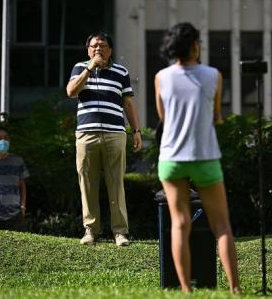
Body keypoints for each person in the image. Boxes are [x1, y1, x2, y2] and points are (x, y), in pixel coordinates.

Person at [155, 22, 241, 294]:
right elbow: (216, 115)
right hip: (204, 156)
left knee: (180, 225)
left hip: (171, 157)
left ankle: (185, 289)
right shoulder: (213, 75)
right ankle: (235, 288)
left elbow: (163, 118)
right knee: (222, 225)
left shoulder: (161, 77)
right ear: (195, 45)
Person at [66, 32, 142, 246]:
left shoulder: (121, 71)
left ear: (110, 50)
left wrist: (136, 131)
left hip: (115, 133)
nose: (98, 49)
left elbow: (128, 103)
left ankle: (120, 232)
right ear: (88, 49)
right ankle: (90, 231)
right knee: (87, 183)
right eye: (94, 46)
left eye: (102, 45)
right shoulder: (80, 67)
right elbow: (71, 91)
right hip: (86, 134)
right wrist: (90, 68)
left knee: (116, 183)